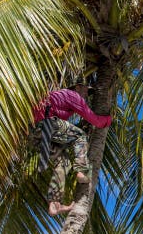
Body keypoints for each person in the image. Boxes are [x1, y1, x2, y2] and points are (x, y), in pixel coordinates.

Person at [30, 84, 112, 216]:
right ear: (77, 87)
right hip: (47, 124)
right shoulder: (72, 95)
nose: (86, 95)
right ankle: (81, 171)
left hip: (35, 133)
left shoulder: (57, 98)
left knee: (64, 162)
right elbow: (95, 121)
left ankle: (54, 204)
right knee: (79, 135)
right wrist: (109, 119)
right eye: (86, 90)